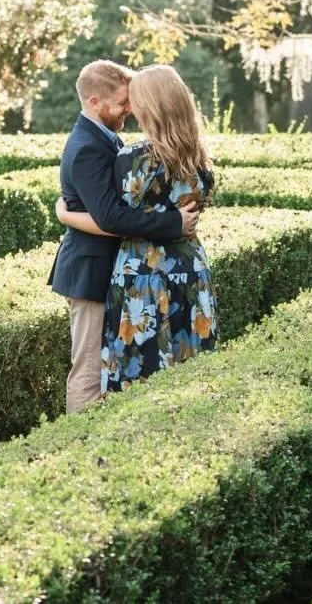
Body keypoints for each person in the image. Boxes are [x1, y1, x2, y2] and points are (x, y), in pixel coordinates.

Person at [48, 59, 201, 413]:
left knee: (110, 369)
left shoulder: (107, 138)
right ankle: (77, 446)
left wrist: (65, 214)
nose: (129, 109)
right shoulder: (87, 146)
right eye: (122, 102)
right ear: (93, 103)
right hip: (90, 273)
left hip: (116, 271)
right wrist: (173, 223)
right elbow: (111, 216)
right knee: (88, 371)